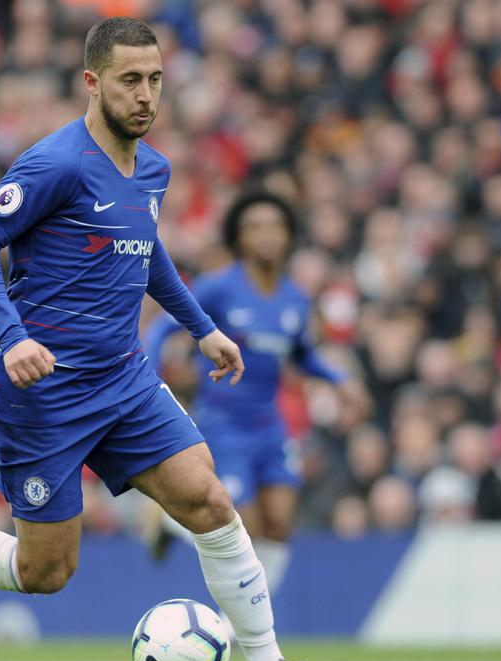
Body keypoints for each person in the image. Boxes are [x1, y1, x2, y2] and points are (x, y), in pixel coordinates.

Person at [0, 17, 341, 661]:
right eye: (129, 81)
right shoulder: (55, 163)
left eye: (154, 80)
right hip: (44, 393)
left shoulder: (152, 168)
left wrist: (201, 327)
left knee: (208, 501)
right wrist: (12, 338)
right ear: (91, 84)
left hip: (123, 380)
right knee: (46, 572)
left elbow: (145, 254)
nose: (145, 95)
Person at [141, 191, 369, 596]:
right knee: (242, 529)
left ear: (288, 235)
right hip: (223, 423)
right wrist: (150, 377)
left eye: (275, 226)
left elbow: (301, 353)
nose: (266, 236)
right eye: (255, 227)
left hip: (270, 423)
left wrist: (339, 380)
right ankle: (181, 531)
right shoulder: (218, 288)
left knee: (280, 524)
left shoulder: (295, 297)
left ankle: (177, 530)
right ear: (238, 237)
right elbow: (162, 328)